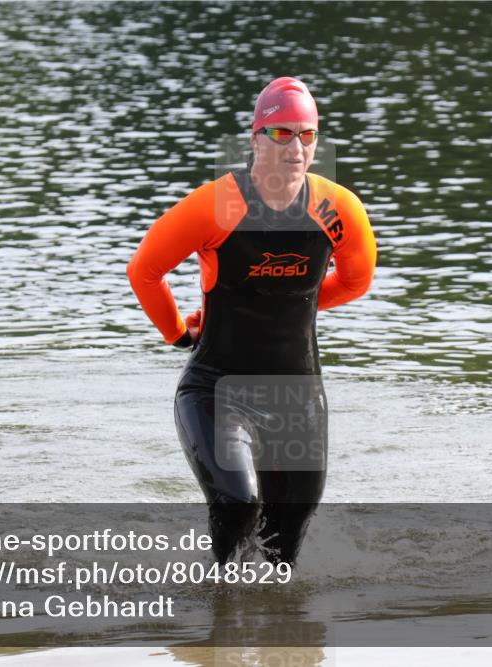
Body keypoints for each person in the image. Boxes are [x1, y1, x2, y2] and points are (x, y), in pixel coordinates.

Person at [126, 77, 377, 565]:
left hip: (296, 395)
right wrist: (177, 333)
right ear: (256, 138)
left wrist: (286, 303)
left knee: (286, 540)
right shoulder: (215, 206)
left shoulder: (339, 209)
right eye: (281, 133)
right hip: (217, 389)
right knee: (238, 504)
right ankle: (219, 597)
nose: (295, 148)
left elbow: (355, 282)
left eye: (307, 135)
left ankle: (270, 609)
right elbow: (145, 271)